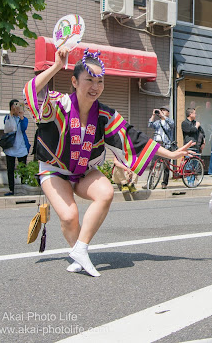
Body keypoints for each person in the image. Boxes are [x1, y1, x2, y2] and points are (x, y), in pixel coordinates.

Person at [24, 47, 194, 277]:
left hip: (85, 169)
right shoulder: (58, 104)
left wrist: (171, 155)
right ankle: (77, 251)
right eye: (89, 80)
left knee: (105, 193)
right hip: (54, 170)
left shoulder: (105, 115)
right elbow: (32, 94)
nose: (95, 86)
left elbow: (135, 138)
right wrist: (55, 66)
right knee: (69, 216)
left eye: (100, 81)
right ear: (74, 81)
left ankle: (80, 250)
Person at [2, 99, 31, 196]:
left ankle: (23, 187)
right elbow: (8, 128)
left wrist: (21, 116)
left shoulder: (24, 119)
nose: (16, 107)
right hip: (10, 147)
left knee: (23, 168)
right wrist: (11, 114)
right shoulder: (8, 117)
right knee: (10, 169)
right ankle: (11, 189)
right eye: (14, 106)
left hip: (21, 146)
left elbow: (23, 128)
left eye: (17, 105)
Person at [148, 105, 175, 189]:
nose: (162, 111)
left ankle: (164, 183)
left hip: (166, 145)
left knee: (166, 165)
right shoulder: (157, 122)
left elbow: (172, 125)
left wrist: (163, 116)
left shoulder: (170, 121)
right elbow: (150, 125)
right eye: (161, 110)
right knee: (153, 164)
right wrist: (153, 115)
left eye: (164, 110)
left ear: (168, 112)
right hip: (157, 144)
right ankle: (150, 182)